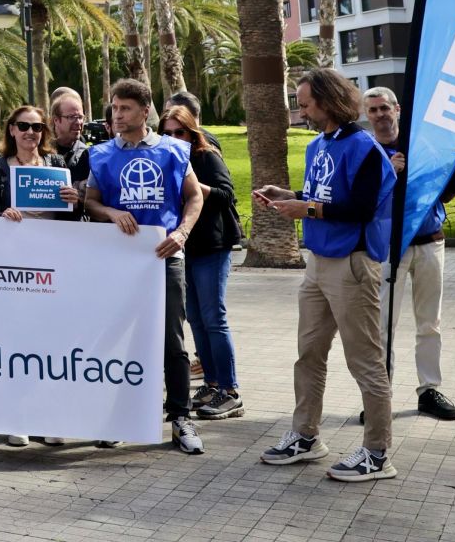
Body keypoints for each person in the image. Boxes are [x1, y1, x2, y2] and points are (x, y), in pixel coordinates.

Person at [254, 69, 398, 482]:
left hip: (351, 264)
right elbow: (325, 195)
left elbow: (362, 208)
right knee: (309, 354)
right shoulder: (319, 145)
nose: (300, 110)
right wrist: (290, 196)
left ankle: (377, 451)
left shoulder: (364, 148)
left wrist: (309, 210)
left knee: (366, 361)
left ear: (330, 101)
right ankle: (306, 436)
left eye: (305, 103)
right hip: (317, 263)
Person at [85, 77, 206, 455]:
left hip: (165, 256)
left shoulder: (172, 150)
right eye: (115, 108)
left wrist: (182, 233)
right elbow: (90, 200)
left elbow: (194, 198)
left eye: (124, 108)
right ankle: (123, 417)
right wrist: (110, 211)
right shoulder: (102, 154)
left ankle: (181, 417)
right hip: (121, 261)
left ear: (145, 110)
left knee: (172, 340)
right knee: (124, 338)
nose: (117, 115)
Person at [0, 102, 85, 446]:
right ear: (11, 129)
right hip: (12, 268)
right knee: (15, 342)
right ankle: (17, 418)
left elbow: (72, 220)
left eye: (37, 127)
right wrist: (0, 213)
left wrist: (76, 200)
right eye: (23, 126)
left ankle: (50, 417)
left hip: (54, 267)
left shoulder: (57, 164)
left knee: (51, 344)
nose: (30, 132)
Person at [365, 88, 455, 421]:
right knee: (381, 326)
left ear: (398, 108)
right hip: (389, 247)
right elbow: (362, 201)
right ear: (367, 115)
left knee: (430, 323)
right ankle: (380, 397)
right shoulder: (368, 151)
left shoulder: (421, 145)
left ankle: (429, 390)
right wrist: (387, 172)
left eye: (385, 108)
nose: (380, 114)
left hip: (429, 241)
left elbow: (443, 195)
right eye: (373, 110)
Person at [159, 104, 243, 421]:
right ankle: (210, 383)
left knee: (213, 317)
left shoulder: (205, 156)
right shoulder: (164, 160)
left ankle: (229, 390)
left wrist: (195, 187)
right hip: (185, 247)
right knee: (194, 318)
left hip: (213, 244)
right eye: (167, 133)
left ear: (191, 132)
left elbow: (226, 194)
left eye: (179, 132)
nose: (173, 138)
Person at [42, 90, 94, 223]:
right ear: (56, 120)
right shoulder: (39, 152)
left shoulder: (90, 155)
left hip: (76, 229)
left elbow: (96, 201)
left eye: (81, 117)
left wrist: (79, 200)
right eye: (71, 117)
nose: (78, 122)